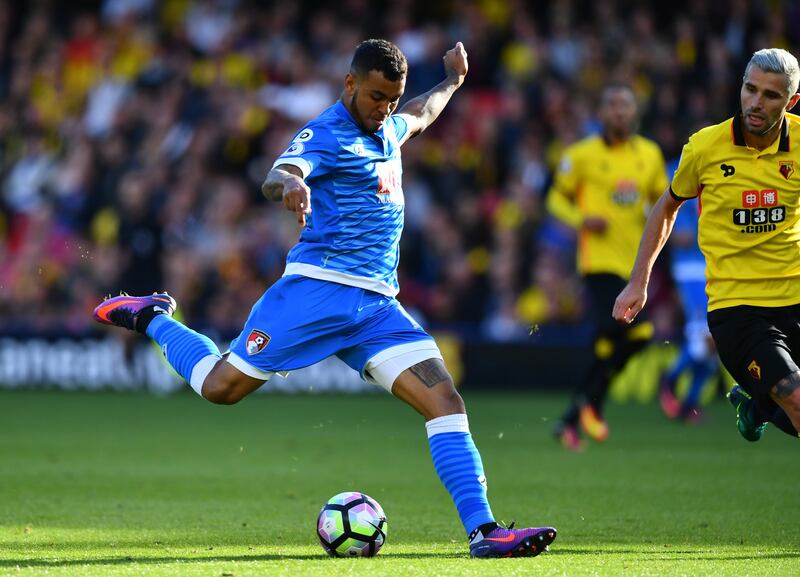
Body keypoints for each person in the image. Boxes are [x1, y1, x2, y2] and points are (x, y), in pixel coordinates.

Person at [93, 39, 556, 558]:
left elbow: (420, 114)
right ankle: (154, 318)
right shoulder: (326, 133)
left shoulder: (390, 130)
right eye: (377, 96)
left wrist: (451, 82)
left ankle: (484, 532)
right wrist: (290, 187)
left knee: (445, 401)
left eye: (392, 98)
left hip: (378, 306)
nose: (385, 108)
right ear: (351, 84)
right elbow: (281, 172)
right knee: (221, 388)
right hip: (315, 292)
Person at [614, 48, 800, 443]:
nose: (756, 102)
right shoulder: (705, 147)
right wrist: (638, 281)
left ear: (791, 101)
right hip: (737, 309)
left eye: (771, 95)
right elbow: (665, 208)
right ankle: (762, 401)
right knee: (795, 397)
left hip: (795, 298)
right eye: (751, 89)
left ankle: (757, 405)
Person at [546, 82, 668, 450]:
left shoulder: (649, 154)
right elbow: (555, 198)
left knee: (617, 339)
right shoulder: (581, 155)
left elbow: (664, 202)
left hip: (635, 266)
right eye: (612, 105)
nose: (619, 112)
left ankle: (578, 413)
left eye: (625, 106)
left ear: (635, 113)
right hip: (598, 263)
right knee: (631, 331)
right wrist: (583, 219)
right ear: (601, 113)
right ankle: (588, 410)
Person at [657, 194, 720, 423]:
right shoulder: (678, 173)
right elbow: (679, 234)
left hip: (716, 267)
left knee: (715, 349)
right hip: (690, 267)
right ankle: (670, 378)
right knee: (704, 331)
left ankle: (688, 404)